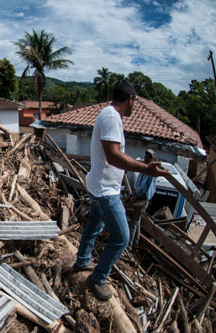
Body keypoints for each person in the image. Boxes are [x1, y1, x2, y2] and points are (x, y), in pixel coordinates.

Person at [72, 81, 171, 301]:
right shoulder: (111, 117)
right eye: (134, 101)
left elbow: (113, 156)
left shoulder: (109, 115)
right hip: (105, 190)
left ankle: (82, 262)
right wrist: (146, 169)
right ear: (130, 99)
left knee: (95, 224)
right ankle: (98, 278)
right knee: (121, 237)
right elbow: (113, 156)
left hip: (101, 186)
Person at [125, 149, 157, 249]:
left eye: (149, 156)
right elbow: (138, 187)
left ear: (152, 159)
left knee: (134, 222)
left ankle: (129, 245)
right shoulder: (143, 170)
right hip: (138, 198)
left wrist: (135, 199)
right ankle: (135, 243)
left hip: (142, 201)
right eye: (146, 155)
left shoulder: (152, 174)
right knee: (137, 220)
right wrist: (131, 195)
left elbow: (147, 194)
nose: (146, 158)